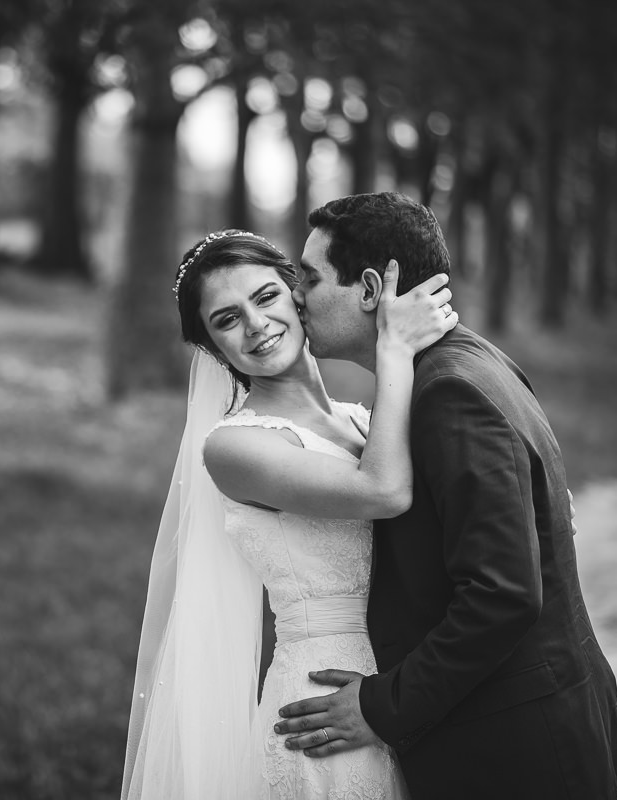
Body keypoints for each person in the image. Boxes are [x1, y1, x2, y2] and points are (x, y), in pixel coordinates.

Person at [272, 192, 617, 799]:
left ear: (369, 289)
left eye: (309, 277)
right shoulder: (465, 361)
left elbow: (503, 595)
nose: (296, 297)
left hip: (521, 751)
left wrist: (381, 705)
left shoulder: (449, 392)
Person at [121, 227, 457, 799]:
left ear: (298, 293)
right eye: (226, 320)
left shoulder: (361, 422)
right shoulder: (235, 448)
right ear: (211, 347)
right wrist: (394, 348)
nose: (255, 325)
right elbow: (383, 492)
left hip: (407, 685)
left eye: (266, 297)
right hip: (322, 708)